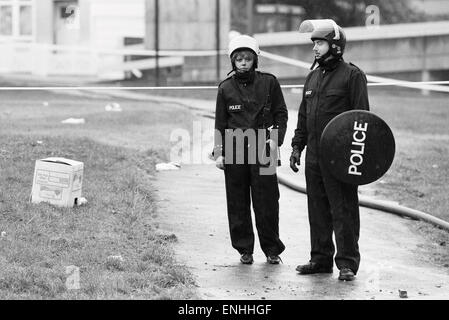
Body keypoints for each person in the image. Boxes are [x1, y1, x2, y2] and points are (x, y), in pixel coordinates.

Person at [290, 20, 369, 281]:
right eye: (314, 43)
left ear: (334, 45)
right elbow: (303, 116)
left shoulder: (352, 76)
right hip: (314, 155)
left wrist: (355, 156)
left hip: (340, 157)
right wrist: (296, 147)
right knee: (317, 208)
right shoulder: (312, 76)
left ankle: (347, 264)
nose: (315, 48)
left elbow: (362, 120)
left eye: (320, 43)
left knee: (343, 209)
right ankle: (320, 259)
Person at [213, 34, 288, 265]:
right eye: (239, 59)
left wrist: (276, 140)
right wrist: (219, 152)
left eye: (248, 58)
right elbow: (220, 123)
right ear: (233, 62)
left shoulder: (269, 82)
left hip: (263, 148)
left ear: (255, 60)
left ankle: (272, 249)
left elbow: (281, 114)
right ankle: (244, 249)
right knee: (237, 202)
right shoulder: (225, 88)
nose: (243, 63)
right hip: (235, 149)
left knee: (267, 202)